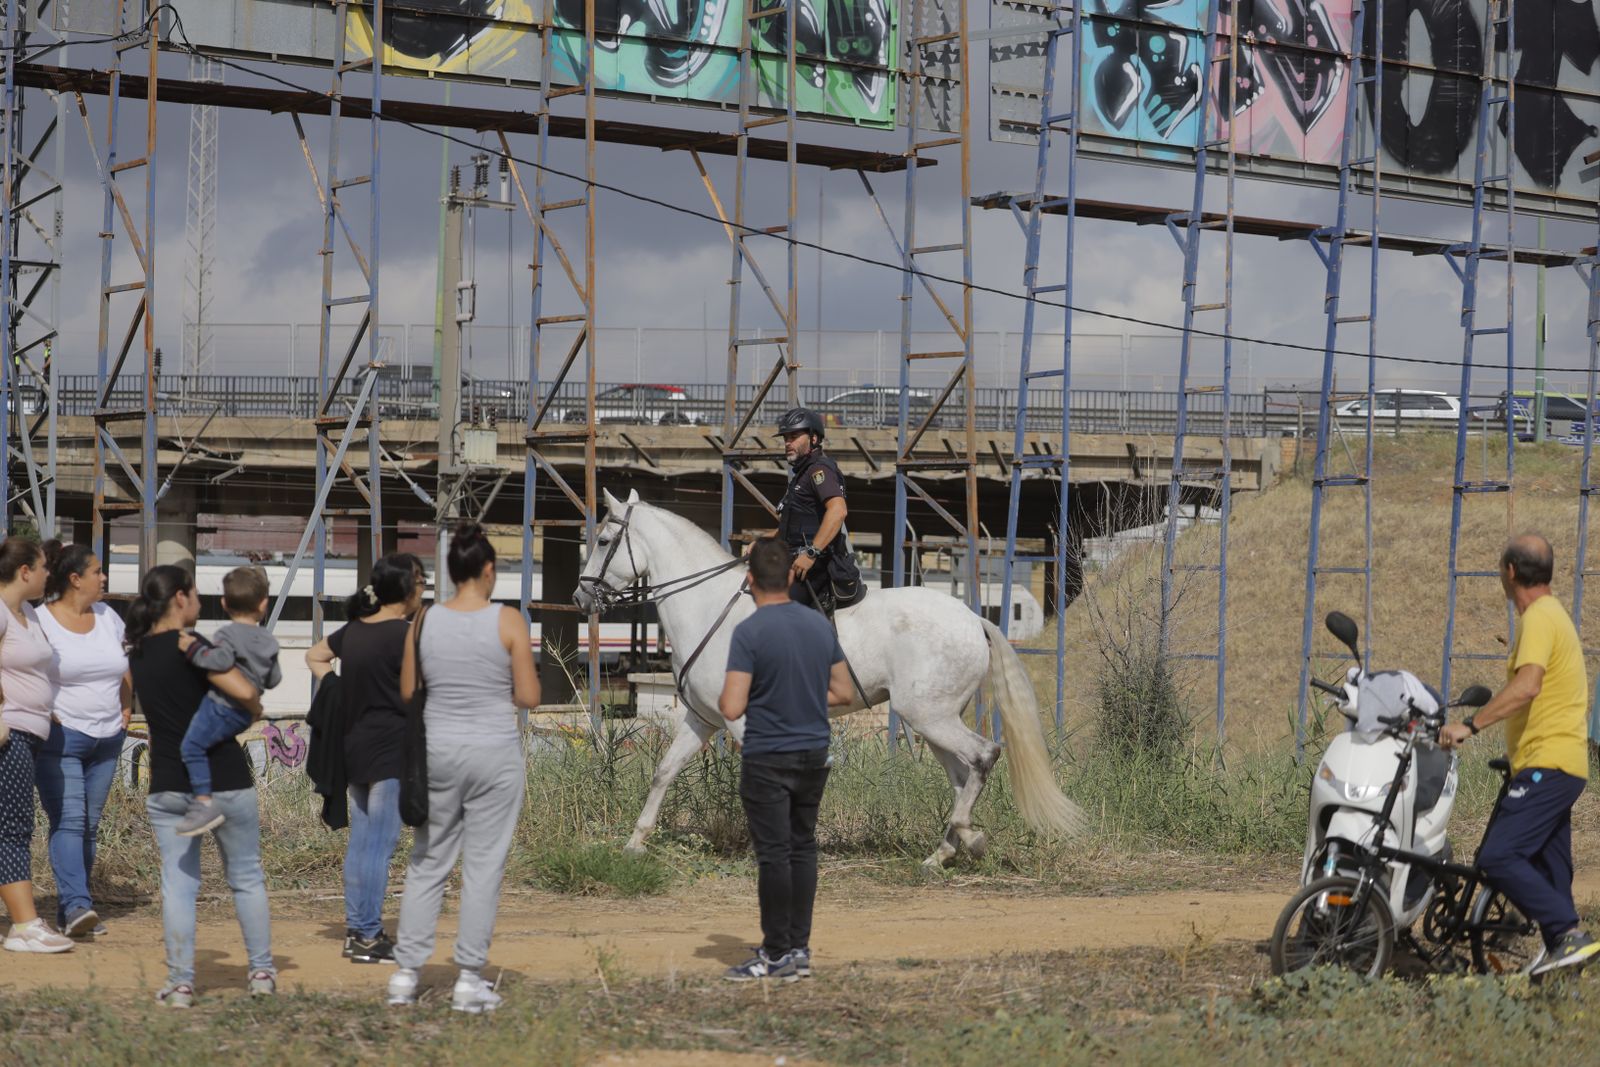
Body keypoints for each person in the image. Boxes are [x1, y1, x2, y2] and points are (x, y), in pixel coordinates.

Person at [387, 521, 540, 1014]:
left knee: (429, 861)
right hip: (493, 753)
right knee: (483, 867)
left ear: (451, 572)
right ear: (489, 571)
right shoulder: (509, 621)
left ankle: (406, 973)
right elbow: (529, 696)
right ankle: (469, 978)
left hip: (439, 752)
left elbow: (409, 692)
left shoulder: (425, 620)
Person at [1440, 534, 1599, 975]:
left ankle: (1567, 932)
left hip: (1548, 765)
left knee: (1498, 856)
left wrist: (1469, 726)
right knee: (1553, 870)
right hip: (1556, 763)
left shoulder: (1539, 618)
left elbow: (1528, 685)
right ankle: (1564, 963)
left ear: (1509, 572)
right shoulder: (1552, 616)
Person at [126, 565, 275, 1008]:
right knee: (246, 877)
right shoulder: (195, 647)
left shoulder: (138, 653)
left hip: (168, 782)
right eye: (194, 595)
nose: (200, 603)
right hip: (224, 776)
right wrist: (253, 705)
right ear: (178, 599)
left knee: (178, 884)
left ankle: (181, 983)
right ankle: (262, 973)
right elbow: (245, 690)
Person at [718, 537, 854, 981]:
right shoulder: (818, 626)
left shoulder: (750, 632)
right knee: (803, 848)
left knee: (774, 855)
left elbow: (731, 706)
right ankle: (797, 949)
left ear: (750, 579)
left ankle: (775, 954)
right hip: (814, 754)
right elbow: (843, 692)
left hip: (768, 756)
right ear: (789, 577)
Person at [306, 553, 426, 965]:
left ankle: (358, 930)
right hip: (391, 752)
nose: (423, 589)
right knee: (379, 846)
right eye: (421, 582)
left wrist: (334, 687)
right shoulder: (406, 635)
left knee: (361, 844)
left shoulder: (353, 631)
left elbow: (315, 656)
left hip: (353, 749)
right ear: (405, 590)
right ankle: (368, 935)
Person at [34, 541, 132, 939]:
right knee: (70, 820)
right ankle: (78, 904)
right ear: (75, 580)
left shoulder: (109, 616)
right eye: (97, 571)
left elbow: (124, 665)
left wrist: (126, 710)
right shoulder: (40, 620)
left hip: (108, 737)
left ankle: (71, 911)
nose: (103, 577)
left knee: (89, 826)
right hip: (62, 736)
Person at [0, 537, 73, 954]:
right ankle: (25, 925)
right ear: (24, 571)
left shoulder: (25, 612)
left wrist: (46, 708)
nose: (49, 574)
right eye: (44, 567)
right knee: (13, 827)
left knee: (10, 825)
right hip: (9, 734)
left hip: (30, 732)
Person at [171, 566, 281, 837]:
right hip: (245, 713)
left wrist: (193, 649)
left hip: (222, 706)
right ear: (264, 604)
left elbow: (218, 661)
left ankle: (203, 802)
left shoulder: (226, 635)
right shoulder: (268, 639)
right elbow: (274, 679)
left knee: (191, 747)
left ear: (223, 603)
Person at [774, 407, 863, 617]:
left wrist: (811, 553)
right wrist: (762, 542)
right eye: (785, 438)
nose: (788, 443)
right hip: (797, 563)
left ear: (814, 439)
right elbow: (790, 529)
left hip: (817, 567)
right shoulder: (802, 474)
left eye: (794, 436)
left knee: (776, 609)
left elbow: (838, 510)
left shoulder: (819, 470)